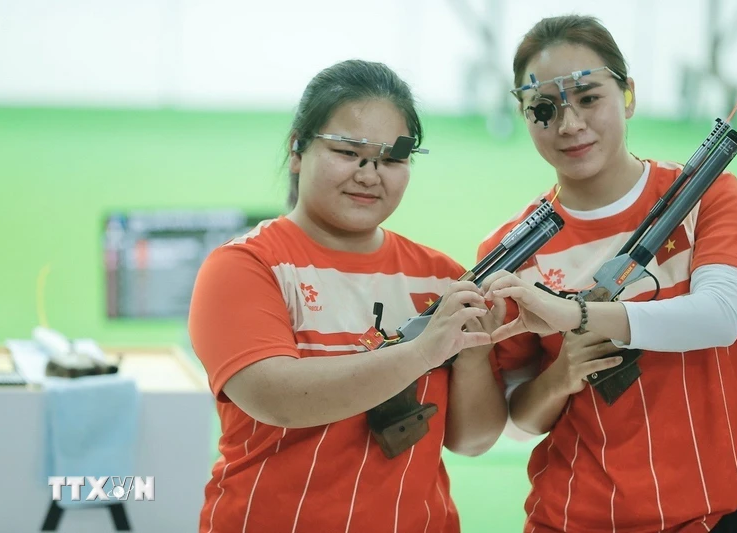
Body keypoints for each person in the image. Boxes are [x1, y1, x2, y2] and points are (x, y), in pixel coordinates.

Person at [187, 59, 507, 533]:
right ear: (298, 148)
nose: (369, 174)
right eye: (348, 151)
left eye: (392, 159)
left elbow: (473, 440)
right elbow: (278, 398)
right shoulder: (246, 266)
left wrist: (475, 355)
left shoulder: (442, 278)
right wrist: (424, 351)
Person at [477, 15, 737, 533]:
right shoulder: (511, 249)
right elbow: (520, 420)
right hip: (572, 517)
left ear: (627, 94)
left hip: (710, 514)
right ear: (524, 114)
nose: (570, 124)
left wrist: (577, 314)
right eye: (544, 108)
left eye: (589, 98)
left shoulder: (707, 195)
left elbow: (721, 316)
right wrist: (560, 376)